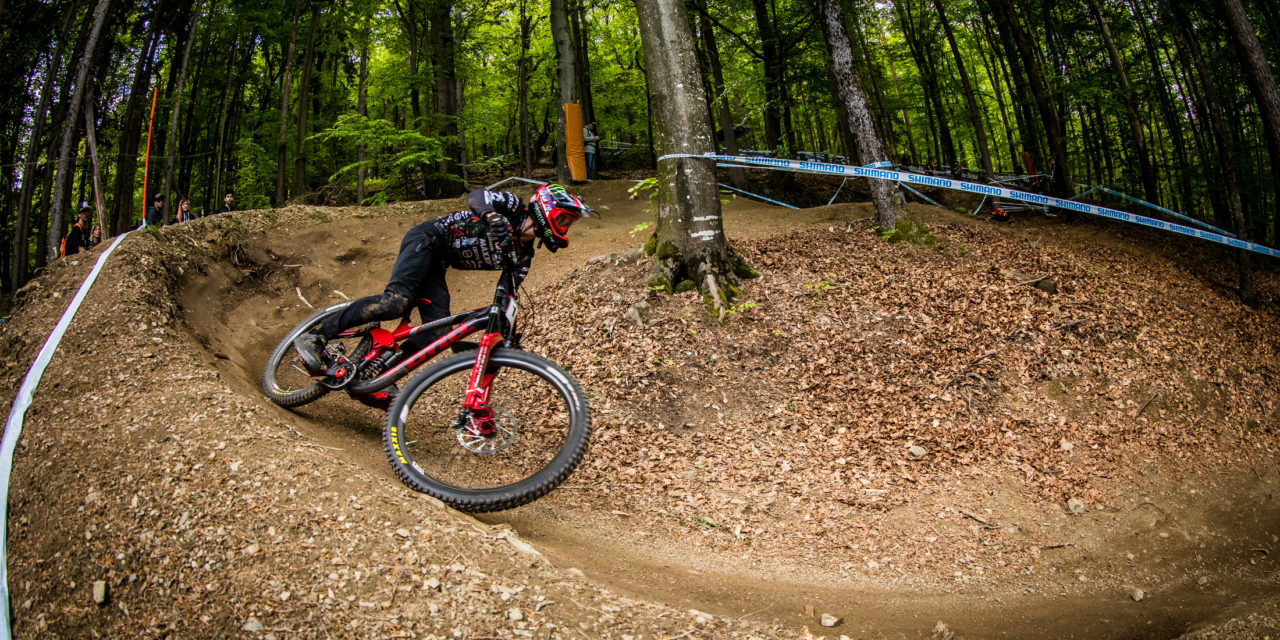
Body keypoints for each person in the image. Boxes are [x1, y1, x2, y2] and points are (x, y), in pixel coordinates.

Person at [293, 184, 589, 378]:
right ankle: (317, 336)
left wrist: (504, 334)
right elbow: (476, 196)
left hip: (439, 264)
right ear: (546, 209)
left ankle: (380, 374)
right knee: (396, 302)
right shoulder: (513, 207)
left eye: (568, 225)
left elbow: (506, 296)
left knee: (437, 334)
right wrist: (490, 216)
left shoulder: (521, 256)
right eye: (563, 220)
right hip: (428, 239)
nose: (565, 228)